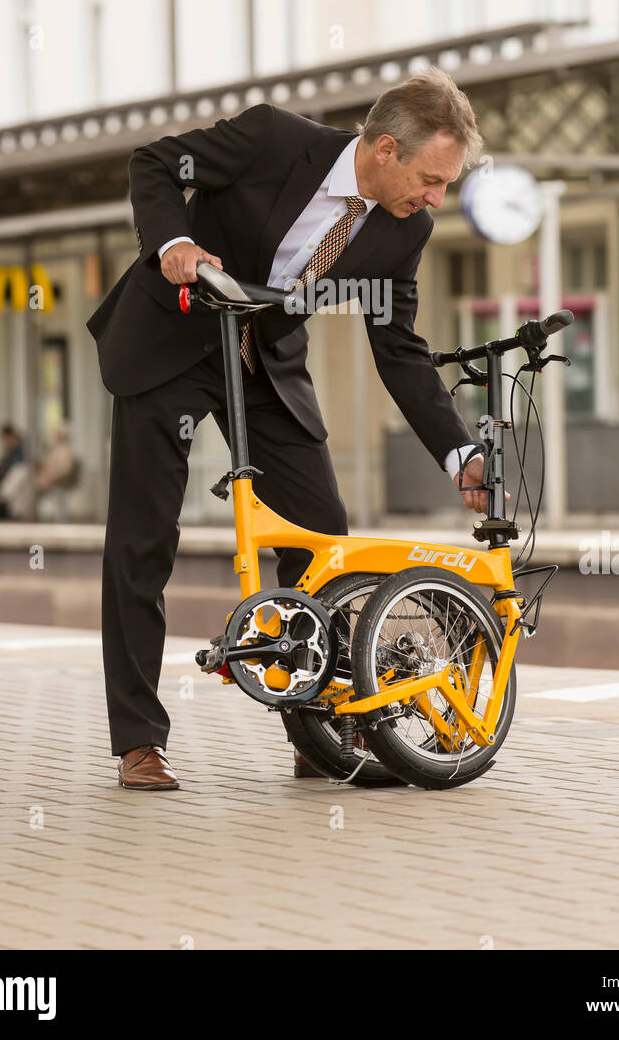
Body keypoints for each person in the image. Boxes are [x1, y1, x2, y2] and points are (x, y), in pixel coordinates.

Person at [87, 66, 490, 791]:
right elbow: (154, 161)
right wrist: (172, 241)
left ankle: (317, 730)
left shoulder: (406, 228)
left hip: (263, 363)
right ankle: (139, 740)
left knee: (320, 535)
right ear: (384, 150)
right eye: (432, 178)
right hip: (173, 341)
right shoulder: (274, 139)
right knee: (144, 540)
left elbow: (397, 347)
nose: (437, 198)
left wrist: (459, 452)